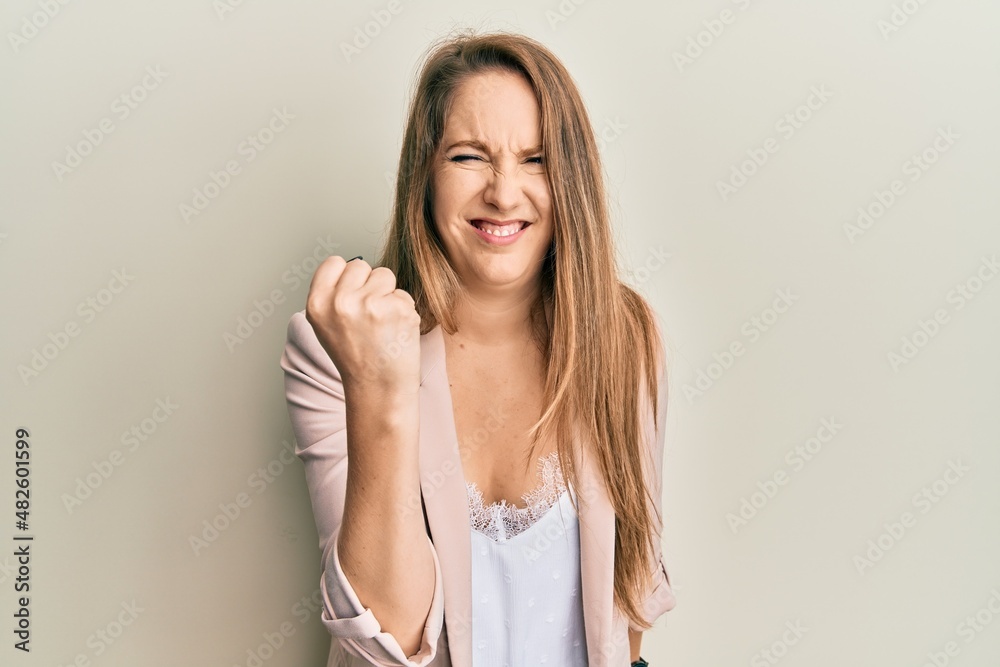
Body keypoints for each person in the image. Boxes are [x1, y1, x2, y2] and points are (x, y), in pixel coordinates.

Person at [280, 30, 677, 667]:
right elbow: (386, 643)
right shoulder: (331, 350)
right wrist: (381, 389)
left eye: (536, 159)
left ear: (570, 180)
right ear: (425, 175)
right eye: (468, 157)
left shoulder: (624, 336)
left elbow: (630, 602)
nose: (503, 192)